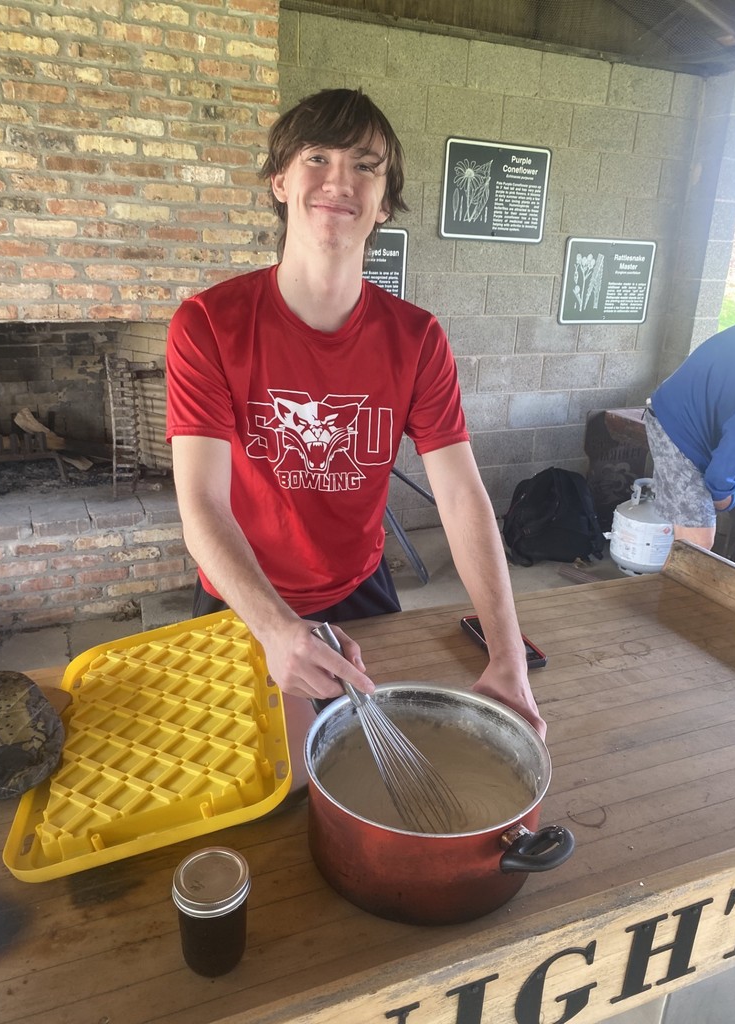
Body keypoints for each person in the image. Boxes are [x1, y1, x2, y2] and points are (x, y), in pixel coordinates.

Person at [165, 88, 545, 781]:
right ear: (280, 181)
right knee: (249, 789)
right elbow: (202, 507)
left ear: (386, 202)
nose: (339, 180)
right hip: (242, 600)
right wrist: (277, 630)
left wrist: (506, 655)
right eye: (317, 157)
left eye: (365, 165)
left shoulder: (417, 338)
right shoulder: (207, 325)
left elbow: (462, 498)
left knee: (372, 777)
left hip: (362, 593)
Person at [645, 323, 735, 551]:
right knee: (696, 548)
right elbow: (720, 477)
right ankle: (673, 585)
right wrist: (726, 496)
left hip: (705, 415)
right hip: (679, 425)